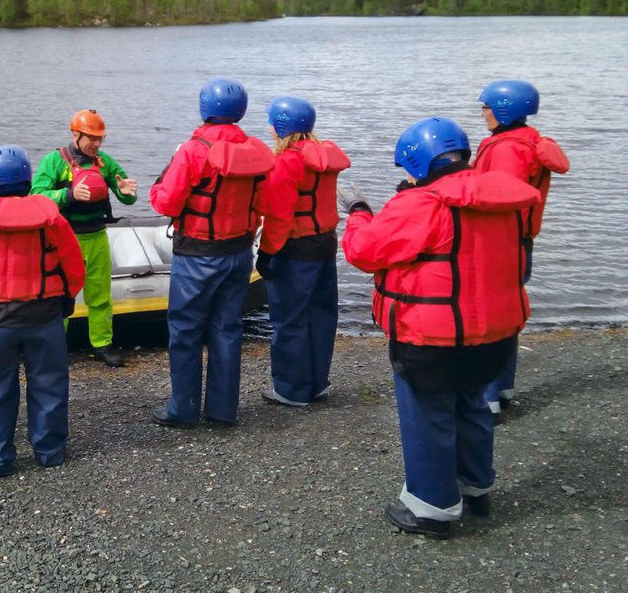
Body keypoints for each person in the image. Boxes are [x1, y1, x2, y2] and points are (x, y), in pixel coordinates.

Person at [339, 116, 541, 539]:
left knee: (429, 417)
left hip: (432, 339)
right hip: (493, 335)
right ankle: (476, 487)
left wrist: (358, 214)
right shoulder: (503, 200)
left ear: (417, 161)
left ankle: (432, 508)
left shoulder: (420, 204)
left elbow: (363, 251)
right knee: (472, 405)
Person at [0, 145, 86, 477]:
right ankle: (50, 452)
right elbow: (73, 265)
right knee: (49, 384)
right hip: (44, 318)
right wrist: (67, 297)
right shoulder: (52, 217)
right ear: (27, 177)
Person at [149, 78, 274, 427]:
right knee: (227, 329)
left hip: (197, 256)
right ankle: (222, 411)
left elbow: (165, 202)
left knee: (186, 331)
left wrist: (159, 182)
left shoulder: (192, 151)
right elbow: (265, 203)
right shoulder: (256, 150)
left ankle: (183, 409)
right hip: (238, 255)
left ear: (205, 108)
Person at [475, 79, 570, 415]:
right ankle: (501, 389)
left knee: (486, 317)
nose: (482, 112)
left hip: (501, 244)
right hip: (519, 243)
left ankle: (486, 400)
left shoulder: (506, 149)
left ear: (503, 110)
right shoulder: (528, 141)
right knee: (506, 314)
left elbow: (500, 199)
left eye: (485, 107)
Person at [257, 96, 350, 407]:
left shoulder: (285, 163)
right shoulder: (322, 156)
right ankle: (317, 383)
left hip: (295, 248)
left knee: (289, 320)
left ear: (281, 126)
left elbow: (279, 217)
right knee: (321, 316)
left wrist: (266, 254)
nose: (269, 128)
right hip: (325, 243)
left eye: (272, 122)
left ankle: (291, 390)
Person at [31, 109, 138, 367]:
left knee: (100, 294)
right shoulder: (54, 162)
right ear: (76, 135)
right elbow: (36, 196)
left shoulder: (106, 163)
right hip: (65, 239)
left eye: (101, 139)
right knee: (59, 294)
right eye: (92, 138)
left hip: (97, 236)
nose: (97, 144)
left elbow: (128, 197)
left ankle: (102, 344)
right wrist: (68, 195)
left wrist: (127, 193)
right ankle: (55, 345)